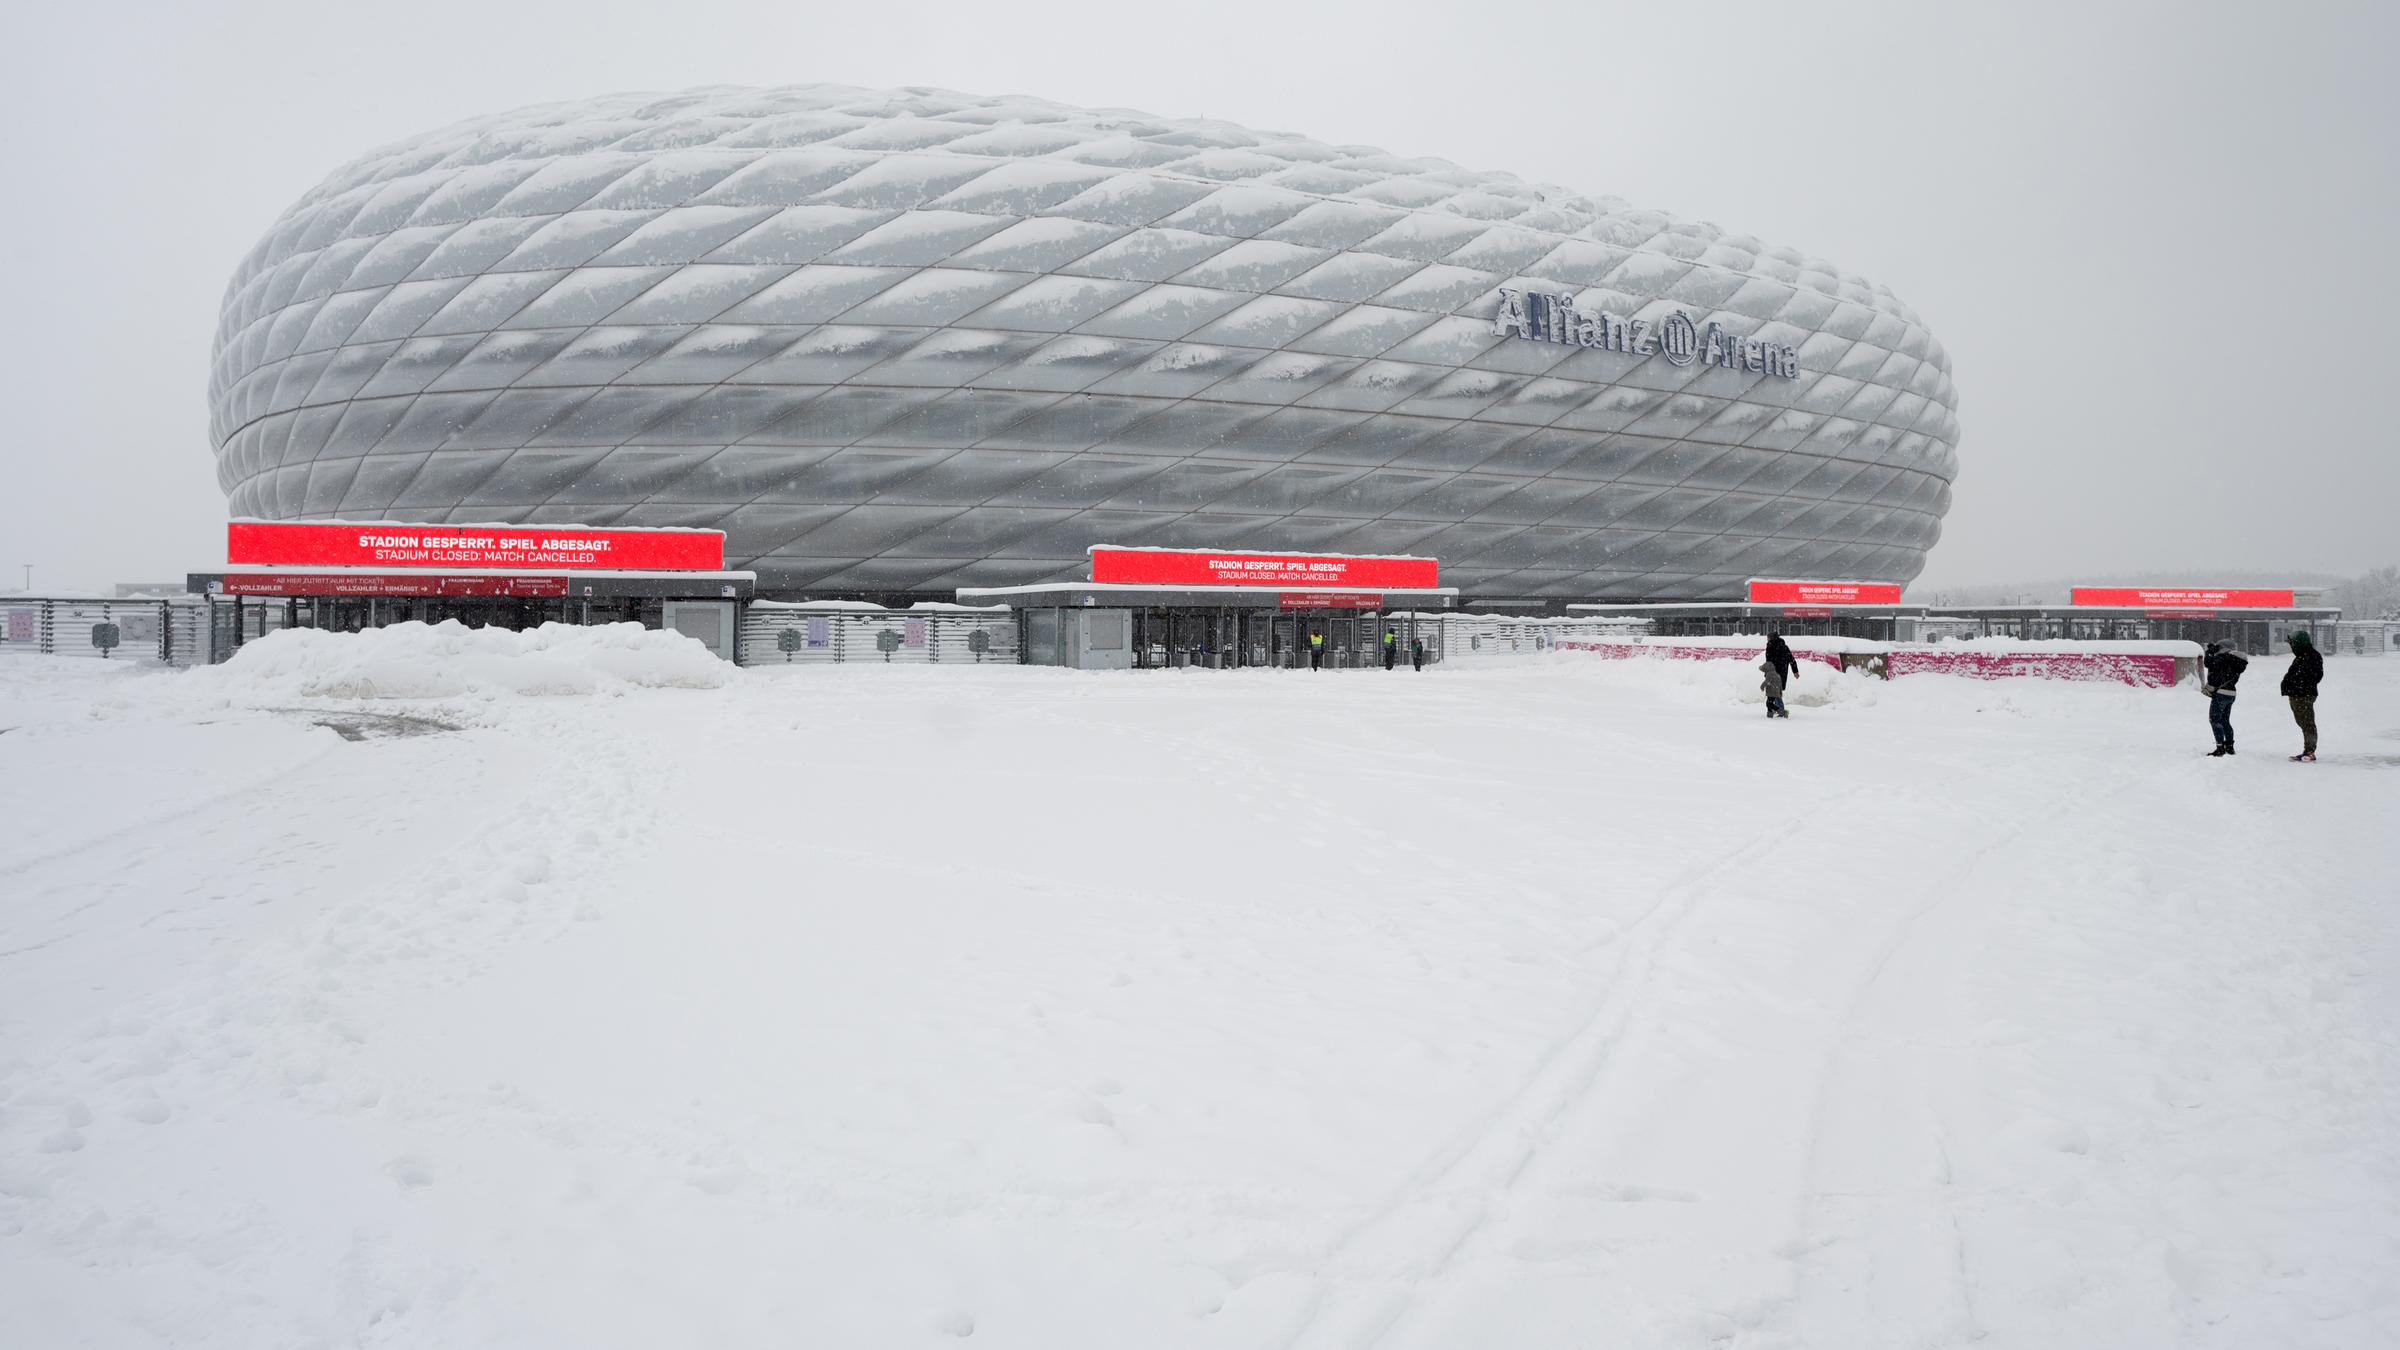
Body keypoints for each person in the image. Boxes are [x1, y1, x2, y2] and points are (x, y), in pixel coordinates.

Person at [2280, 629, 2324, 761]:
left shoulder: (2311, 656)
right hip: (2298, 694)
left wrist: (2298, 684)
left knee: (2307, 723)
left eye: (2292, 643)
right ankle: (2308, 750)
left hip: (2303, 695)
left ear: (2299, 643)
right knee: (2303, 722)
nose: (2291, 646)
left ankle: (2309, 751)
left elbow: (2315, 675)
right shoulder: (2303, 656)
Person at [2201, 640, 2248, 756]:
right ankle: (2229, 747)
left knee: (2214, 720)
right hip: (2231, 693)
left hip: (2221, 693)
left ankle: (2220, 748)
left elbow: (2208, 663)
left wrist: (2209, 652)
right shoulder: (2236, 660)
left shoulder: (2222, 658)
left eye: (2218, 647)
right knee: (2225, 721)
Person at [1761, 632, 1799, 718]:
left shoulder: (1770, 647)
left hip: (1773, 675)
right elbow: (1792, 660)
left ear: (1772, 638)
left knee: (1774, 693)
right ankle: (1776, 710)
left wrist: (1766, 673)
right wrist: (1795, 671)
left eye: (1768, 638)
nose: (1767, 639)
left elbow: (1769, 662)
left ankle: (1781, 711)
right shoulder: (1784, 647)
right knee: (1776, 692)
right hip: (1782, 674)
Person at [1759, 655, 1788, 719]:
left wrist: (1762, 686)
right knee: (1768, 703)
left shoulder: (1770, 674)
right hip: (1775, 692)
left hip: (1771, 692)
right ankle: (1770, 714)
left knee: (1769, 704)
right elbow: (1780, 685)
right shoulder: (1777, 674)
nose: (1764, 671)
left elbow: (1766, 681)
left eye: (1765, 669)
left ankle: (1782, 712)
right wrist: (1780, 692)